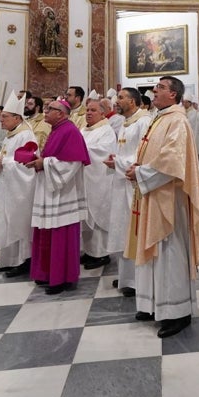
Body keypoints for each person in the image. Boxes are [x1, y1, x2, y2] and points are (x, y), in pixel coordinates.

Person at [125, 75, 199, 337]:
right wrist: (136, 168)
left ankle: (177, 311)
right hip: (152, 194)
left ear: (173, 94)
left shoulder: (177, 121)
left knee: (169, 252)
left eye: (159, 87)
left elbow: (172, 160)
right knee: (151, 248)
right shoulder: (159, 118)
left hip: (169, 199)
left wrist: (141, 173)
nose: (154, 90)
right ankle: (152, 303)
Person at [28, 98, 90, 294]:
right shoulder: (57, 129)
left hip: (63, 195)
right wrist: (39, 161)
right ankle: (46, 273)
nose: (45, 111)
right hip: (51, 192)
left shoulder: (70, 131)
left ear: (61, 114)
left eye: (50, 109)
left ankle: (62, 278)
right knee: (46, 232)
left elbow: (72, 164)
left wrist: (43, 164)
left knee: (60, 235)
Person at [105, 87, 152, 296]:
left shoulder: (144, 121)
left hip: (135, 183)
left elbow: (143, 154)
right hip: (121, 182)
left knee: (134, 230)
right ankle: (126, 277)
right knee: (123, 228)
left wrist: (118, 163)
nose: (117, 101)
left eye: (121, 98)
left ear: (132, 101)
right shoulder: (126, 122)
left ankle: (137, 279)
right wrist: (115, 161)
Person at [0, 91, 38, 276]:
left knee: (19, 222)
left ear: (17, 117)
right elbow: (8, 157)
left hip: (21, 190)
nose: (1, 120)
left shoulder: (25, 135)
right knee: (6, 220)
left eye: (5, 117)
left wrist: (4, 162)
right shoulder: (11, 134)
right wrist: (0, 161)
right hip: (8, 187)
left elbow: (27, 162)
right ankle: (9, 259)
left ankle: (24, 260)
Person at [80, 97, 118, 269]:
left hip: (99, 179)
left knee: (98, 215)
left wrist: (79, 150)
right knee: (86, 216)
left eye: (93, 110)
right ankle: (89, 251)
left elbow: (103, 152)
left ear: (102, 113)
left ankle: (101, 253)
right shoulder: (84, 129)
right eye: (87, 110)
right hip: (85, 179)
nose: (89, 113)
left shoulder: (106, 131)